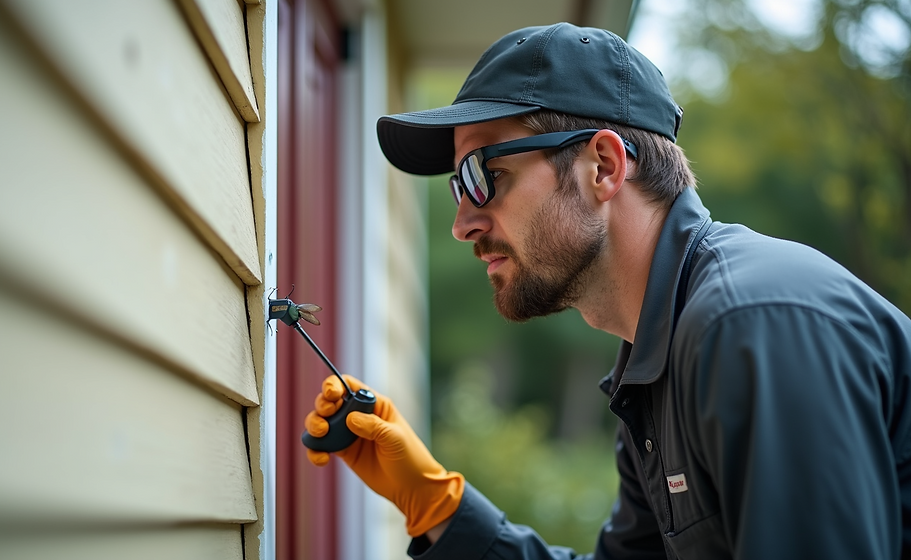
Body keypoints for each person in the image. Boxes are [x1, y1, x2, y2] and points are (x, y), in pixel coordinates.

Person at [303, 22, 911, 559]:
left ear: (603, 167)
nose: (463, 223)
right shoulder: (656, 367)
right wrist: (436, 507)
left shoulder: (753, 325)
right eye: (456, 188)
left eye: (482, 176)